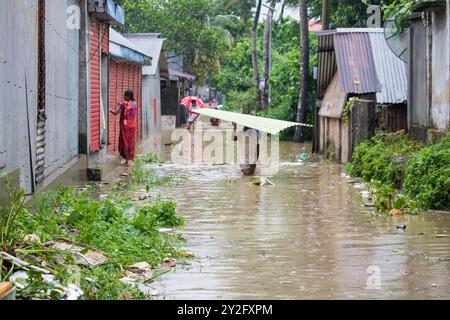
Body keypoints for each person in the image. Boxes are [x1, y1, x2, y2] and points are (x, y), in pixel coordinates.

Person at [110, 90, 138, 166]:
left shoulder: (124, 104)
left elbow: (116, 113)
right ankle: (130, 158)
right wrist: (121, 104)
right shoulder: (134, 104)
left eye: (125, 96)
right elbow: (128, 108)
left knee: (124, 142)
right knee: (131, 142)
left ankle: (126, 159)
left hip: (125, 127)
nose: (123, 97)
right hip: (133, 126)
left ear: (128, 97)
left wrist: (109, 109)